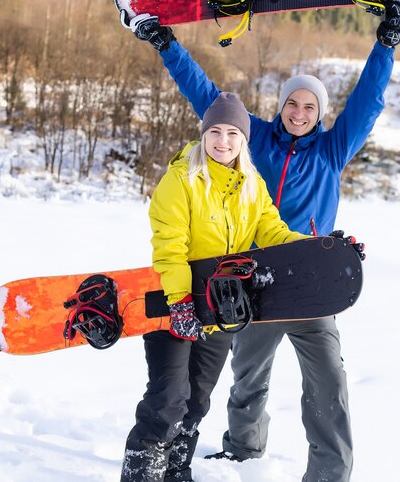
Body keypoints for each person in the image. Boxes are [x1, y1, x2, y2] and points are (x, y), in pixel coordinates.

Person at [121, 0, 400, 482]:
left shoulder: (331, 150)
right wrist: (166, 43)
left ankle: (329, 473)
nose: (299, 113)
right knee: (246, 377)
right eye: (291, 104)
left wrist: (388, 39)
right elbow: (207, 97)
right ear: (280, 107)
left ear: (319, 113)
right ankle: (242, 450)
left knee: (327, 383)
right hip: (251, 282)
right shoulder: (251, 138)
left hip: (311, 285)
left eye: (309, 106)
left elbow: (369, 100)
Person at [121, 92, 309, 482]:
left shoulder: (252, 184)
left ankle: (175, 472)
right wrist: (180, 302)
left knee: (197, 400)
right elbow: (170, 247)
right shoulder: (181, 180)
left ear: (244, 140)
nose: (222, 141)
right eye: (215, 132)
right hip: (172, 305)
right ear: (203, 134)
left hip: (220, 308)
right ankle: (142, 475)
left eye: (232, 133)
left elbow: (271, 231)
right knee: (168, 399)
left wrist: (316, 250)